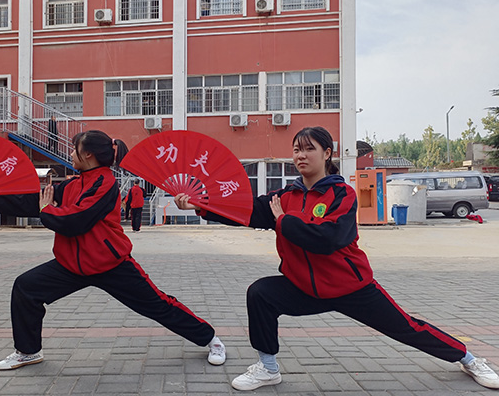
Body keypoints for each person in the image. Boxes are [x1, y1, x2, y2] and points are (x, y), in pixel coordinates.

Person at [174, 126, 499, 391]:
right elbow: (245, 210)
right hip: (304, 287)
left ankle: (469, 359)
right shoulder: (284, 196)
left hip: (350, 287)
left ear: (327, 153)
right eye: (296, 149)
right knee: (260, 294)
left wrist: (284, 221)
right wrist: (201, 205)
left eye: (309, 149)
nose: (301, 155)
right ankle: (268, 368)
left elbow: (330, 238)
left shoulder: (342, 194)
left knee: (407, 327)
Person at [0, 130, 226, 371]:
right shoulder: (73, 184)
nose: (71, 154)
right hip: (72, 265)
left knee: (157, 304)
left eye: (74, 149)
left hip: (110, 264)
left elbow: (75, 221)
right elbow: (37, 199)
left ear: (88, 154)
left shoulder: (105, 183)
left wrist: (46, 210)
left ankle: (211, 339)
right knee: (25, 288)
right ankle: (28, 352)